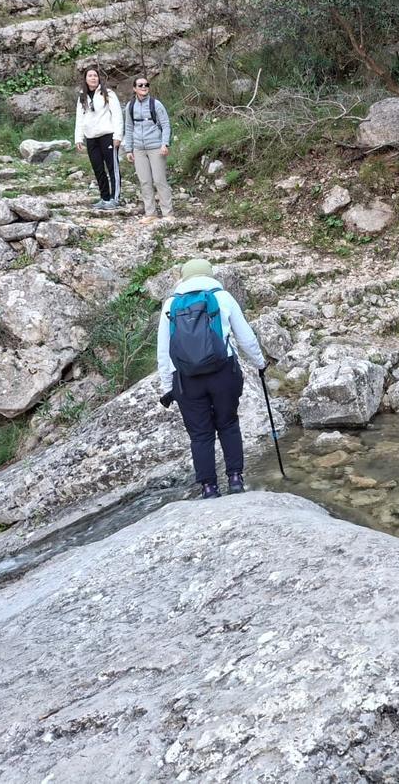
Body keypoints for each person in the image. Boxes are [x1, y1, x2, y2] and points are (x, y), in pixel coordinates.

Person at [156, 258, 267, 499]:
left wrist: (167, 386)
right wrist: (260, 363)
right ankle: (235, 479)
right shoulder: (222, 297)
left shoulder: (171, 305)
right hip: (223, 372)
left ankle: (209, 488)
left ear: (184, 278)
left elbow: (163, 351)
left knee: (200, 434)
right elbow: (246, 337)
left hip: (186, 379)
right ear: (210, 275)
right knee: (228, 424)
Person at [122, 76, 173, 220]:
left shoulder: (156, 104)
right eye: (140, 85)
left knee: (159, 180)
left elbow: (166, 125)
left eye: (146, 84)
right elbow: (129, 127)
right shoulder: (130, 106)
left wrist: (165, 143)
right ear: (134, 88)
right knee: (145, 182)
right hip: (138, 149)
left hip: (156, 147)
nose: (144, 87)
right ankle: (150, 213)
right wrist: (129, 149)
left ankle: (168, 213)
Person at [74, 66, 123, 210]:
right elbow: (80, 118)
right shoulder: (82, 96)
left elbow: (117, 115)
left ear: (99, 78)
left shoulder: (107, 93)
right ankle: (104, 197)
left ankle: (115, 198)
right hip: (91, 137)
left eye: (95, 75)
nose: (93, 78)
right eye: (90, 76)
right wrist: (78, 138)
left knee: (112, 167)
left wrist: (118, 135)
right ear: (85, 79)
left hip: (108, 135)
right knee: (98, 168)